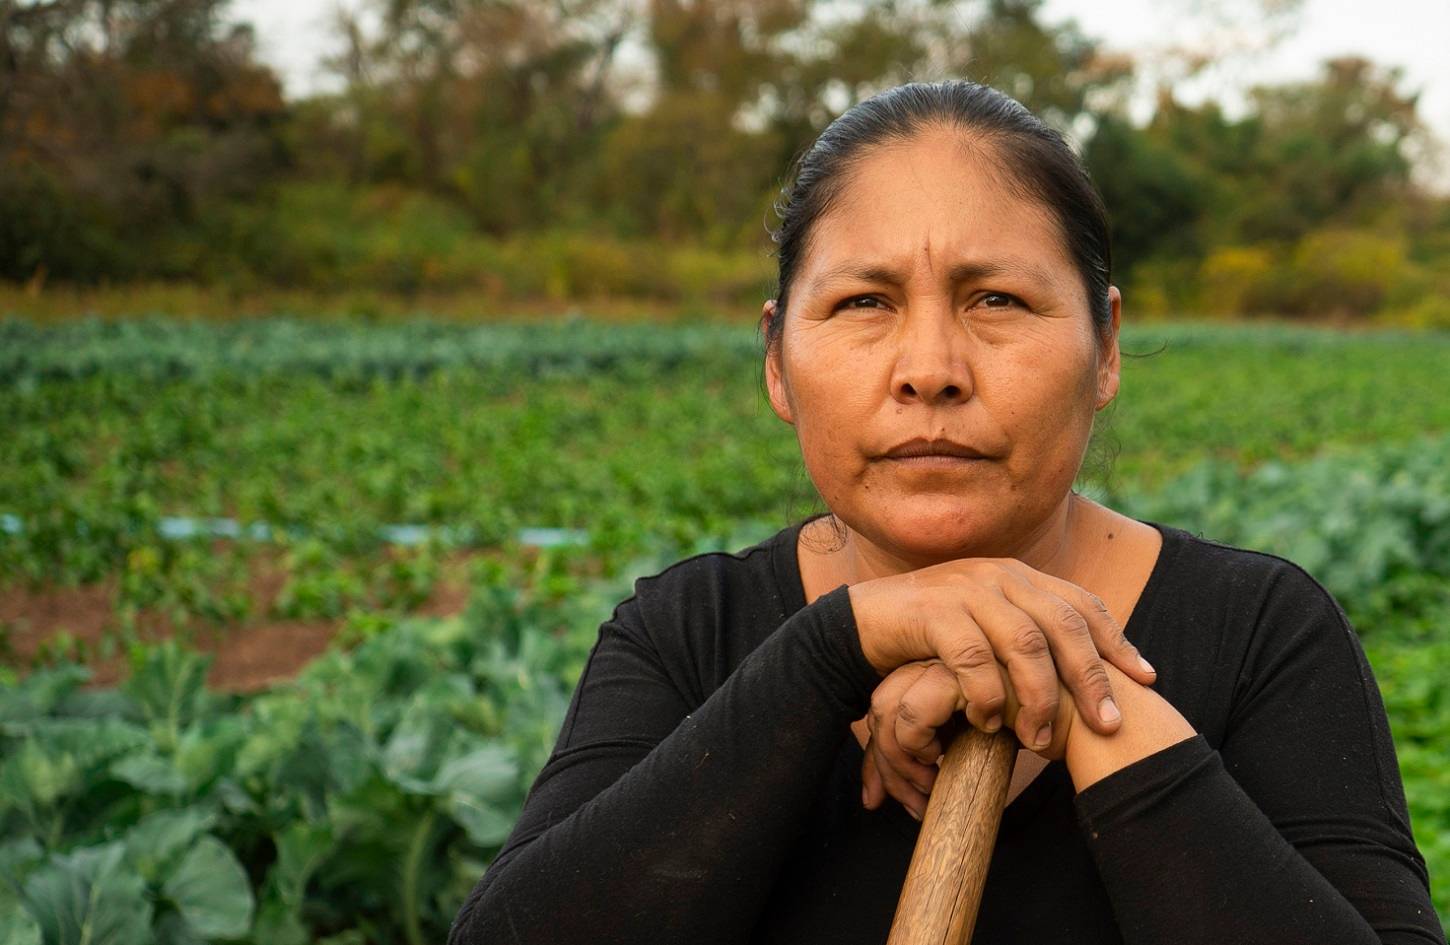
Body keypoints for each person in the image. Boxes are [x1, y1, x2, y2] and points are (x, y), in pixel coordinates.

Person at [447, 80, 1442, 944]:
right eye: (862, 304)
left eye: (997, 300)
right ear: (775, 359)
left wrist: (1082, 691)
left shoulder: (1261, 635)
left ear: (1104, 348)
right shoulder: (687, 638)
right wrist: (835, 649)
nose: (930, 371)